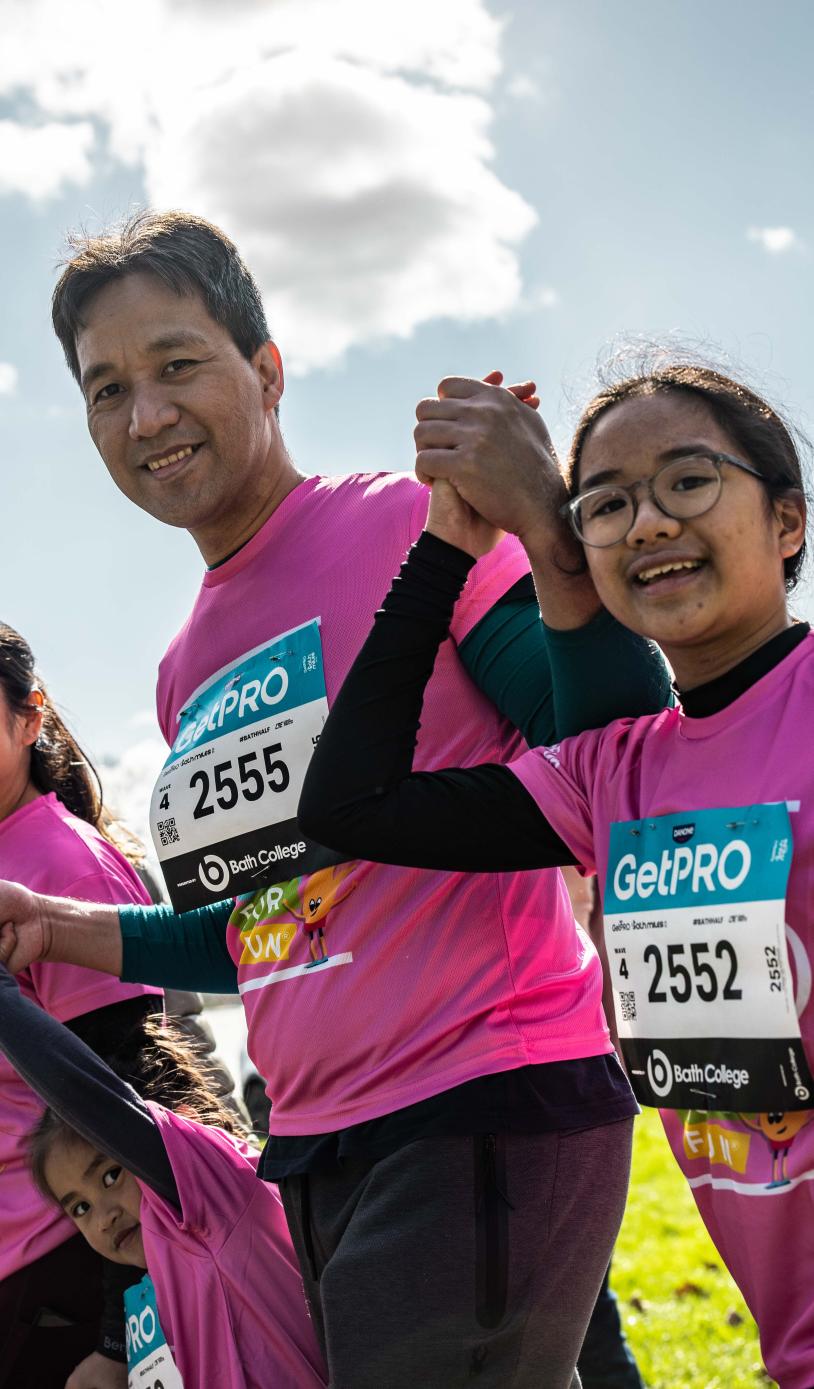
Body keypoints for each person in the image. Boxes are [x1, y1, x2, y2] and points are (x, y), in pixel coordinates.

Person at [0, 211, 672, 1388]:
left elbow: (610, 739)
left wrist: (543, 519)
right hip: (315, 1144)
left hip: (478, 1096)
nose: (145, 414)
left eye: (175, 365)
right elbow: (269, 935)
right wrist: (56, 929)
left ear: (266, 372)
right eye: (107, 390)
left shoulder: (400, 530)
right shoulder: (181, 666)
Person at [290, 361, 813, 1389]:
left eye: (689, 481)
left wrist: (545, 515)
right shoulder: (612, 772)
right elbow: (346, 806)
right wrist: (451, 546)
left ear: (788, 522)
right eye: (606, 504)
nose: (649, 523)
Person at [0, 963, 326, 1388]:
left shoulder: (215, 1197)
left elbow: (82, 1092)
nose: (103, 1217)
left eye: (111, 1175)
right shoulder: (151, 1289)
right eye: (79, 1207)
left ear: (181, 1133)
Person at [0, 623, 164, 1389]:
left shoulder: (63, 865)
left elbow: (137, 1102)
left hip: (55, 1274)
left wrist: (115, 1335)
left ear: (30, 720)